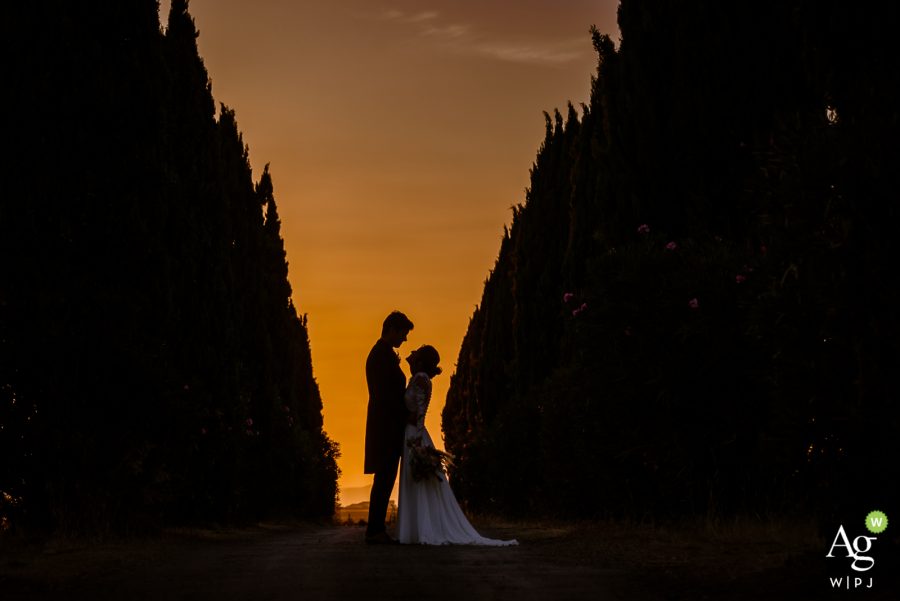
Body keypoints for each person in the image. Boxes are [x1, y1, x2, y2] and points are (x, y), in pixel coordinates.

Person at [397, 345, 518, 546]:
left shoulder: (420, 379)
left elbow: (419, 413)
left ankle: (421, 530)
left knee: (417, 481)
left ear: (420, 362)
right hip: (412, 433)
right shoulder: (420, 377)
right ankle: (416, 529)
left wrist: (416, 440)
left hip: (414, 434)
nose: (413, 354)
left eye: (417, 354)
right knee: (417, 481)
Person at [364, 311, 414, 544]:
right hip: (386, 427)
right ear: (392, 329)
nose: (404, 339)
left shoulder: (383, 354)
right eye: (403, 333)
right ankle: (375, 531)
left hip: (387, 425)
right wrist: (408, 414)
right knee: (384, 478)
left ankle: (376, 529)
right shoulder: (380, 357)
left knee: (385, 478)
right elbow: (387, 397)